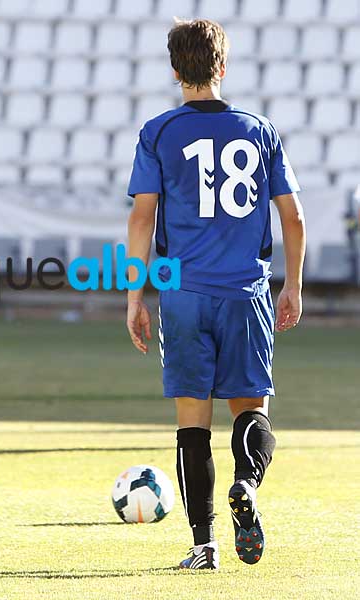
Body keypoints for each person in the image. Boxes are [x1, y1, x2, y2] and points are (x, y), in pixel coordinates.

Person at [125, 19, 305, 569]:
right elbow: (293, 218)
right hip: (245, 290)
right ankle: (246, 484)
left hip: (182, 294)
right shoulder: (260, 129)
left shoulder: (157, 132)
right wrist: (292, 284)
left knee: (191, 421)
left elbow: (141, 217)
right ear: (222, 68)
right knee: (251, 409)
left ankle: (203, 547)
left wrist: (134, 296)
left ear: (176, 71)